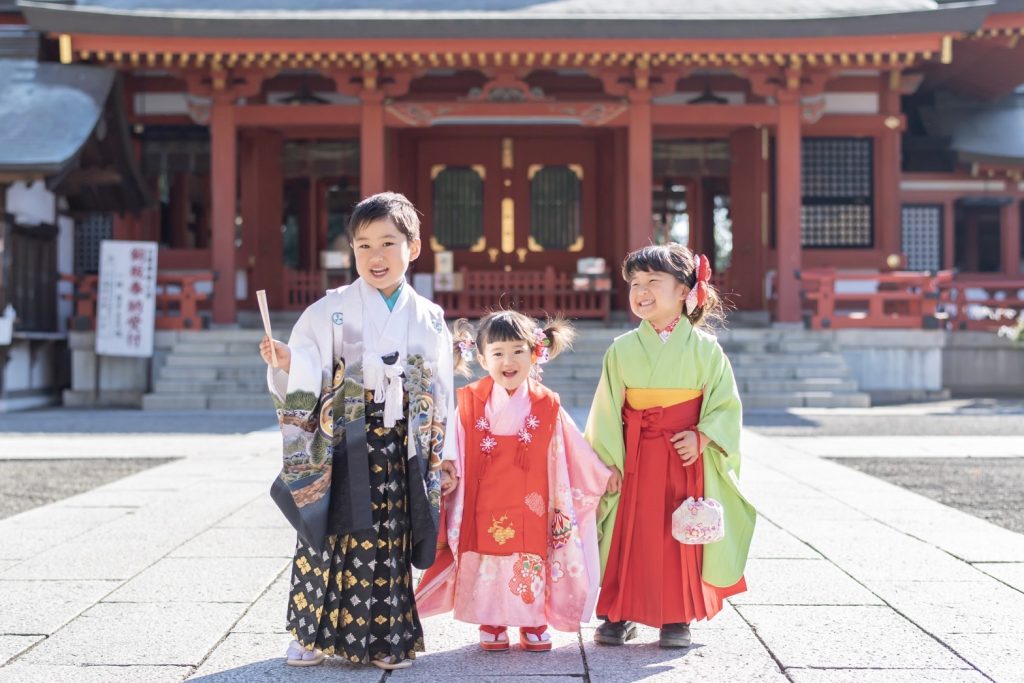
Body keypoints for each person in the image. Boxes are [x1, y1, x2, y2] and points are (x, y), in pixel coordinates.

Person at [258, 192, 457, 670]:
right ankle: (310, 632)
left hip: (398, 443)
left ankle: (388, 636)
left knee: (387, 537)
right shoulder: (332, 308)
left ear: (414, 247)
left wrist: (446, 453)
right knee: (325, 529)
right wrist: (290, 361)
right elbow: (308, 364)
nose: (375, 256)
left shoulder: (429, 316)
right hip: (340, 438)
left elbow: (443, 390)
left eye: (388, 243)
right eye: (363, 245)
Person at [585, 243, 756, 648]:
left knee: (679, 532)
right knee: (627, 531)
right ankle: (619, 612)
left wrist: (702, 436)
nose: (641, 291)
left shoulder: (706, 350)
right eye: (635, 283)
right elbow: (606, 411)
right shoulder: (621, 349)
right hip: (634, 455)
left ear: (684, 290)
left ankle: (677, 616)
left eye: (652, 282)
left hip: (684, 458)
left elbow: (725, 405)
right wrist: (606, 463)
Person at [416, 311, 612, 652]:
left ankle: (533, 620)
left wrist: (599, 473)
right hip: (481, 496)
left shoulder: (547, 404)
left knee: (529, 556)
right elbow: (454, 446)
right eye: (498, 353)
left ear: (535, 352)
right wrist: (448, 470)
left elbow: (570, 448)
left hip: (531, 500)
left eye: (518, 351)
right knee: (487, 560)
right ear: (481, 358)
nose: (509, 361)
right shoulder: (468, 401)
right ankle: (491, 619)